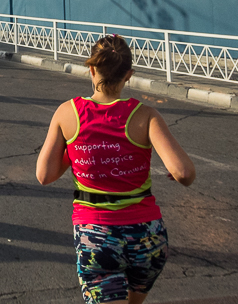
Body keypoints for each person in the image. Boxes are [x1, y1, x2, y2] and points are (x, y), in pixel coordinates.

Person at [36, 35, 197, 304]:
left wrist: (77, 151)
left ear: (91, 69)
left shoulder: (67, 113)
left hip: (97, 237)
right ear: (129, 75)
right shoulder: (146, 115)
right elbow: (184, 173)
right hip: (148, 239)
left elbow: (44, 175)